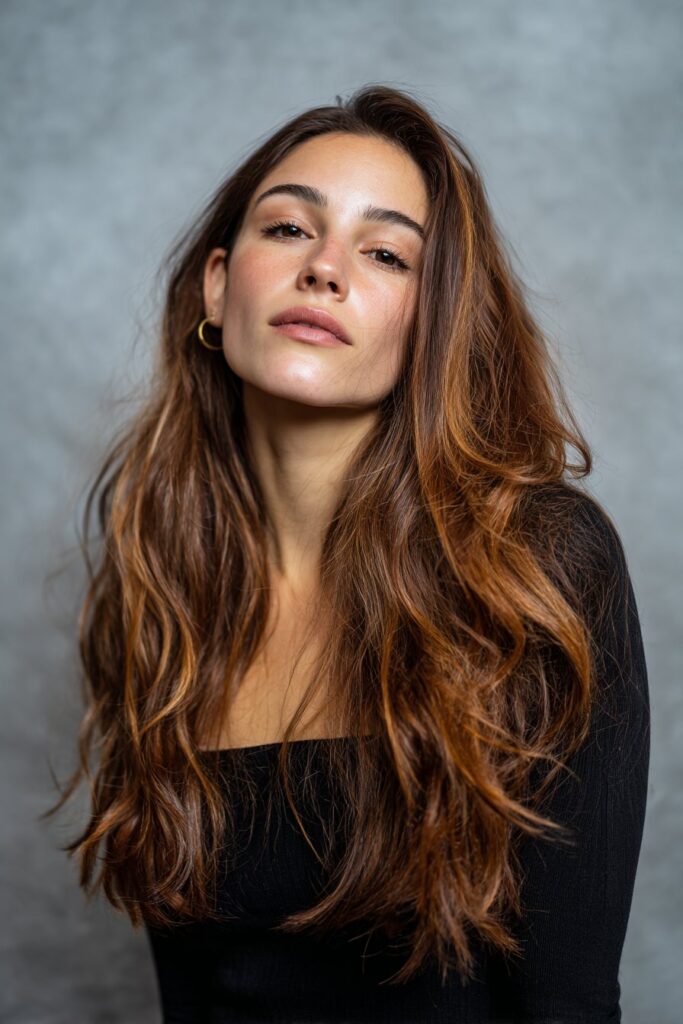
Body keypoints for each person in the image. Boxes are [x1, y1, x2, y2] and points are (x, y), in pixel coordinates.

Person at [45, 84, 650, 1022]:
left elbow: (567, 1001)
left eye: (384, 254)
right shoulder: (162, 582)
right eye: (289, 229)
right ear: (218, 284)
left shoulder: (534, 567)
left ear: (431, 321)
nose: (323, 269)